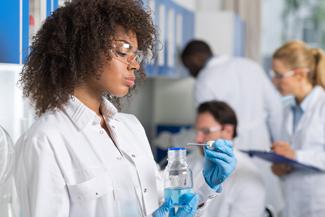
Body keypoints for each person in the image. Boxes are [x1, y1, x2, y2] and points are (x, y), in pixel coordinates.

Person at [14, 1, 237, 217]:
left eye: (136, 55)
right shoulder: (45, 140)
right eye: (122, 51)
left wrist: (206, 185)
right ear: (85, 50)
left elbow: (166, 203)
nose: (135, 64)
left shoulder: (130, 127)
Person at [181, 40, 284, 213]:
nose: (190, 73)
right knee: (263, 204)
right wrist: (277, 147)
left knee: (227, 200)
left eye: (188, 67)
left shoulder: (205, 80)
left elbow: (206, 124)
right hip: (261, 146)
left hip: (224, 149)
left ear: (194, 60)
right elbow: (276, 108)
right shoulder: (250, 66)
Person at [271, 40, 325, 217]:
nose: (274, 81)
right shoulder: (288, 110)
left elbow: (295, 154)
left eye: (279, 75)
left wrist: (296, 156)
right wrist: (280, 166)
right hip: (291, 202)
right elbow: (287, 155)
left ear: (300, 74)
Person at [187, 100, 265, 217]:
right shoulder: (189, 161)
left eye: (206, 131)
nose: (198, 139)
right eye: (197, 131)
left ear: (228, 131)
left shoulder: (249, 177)